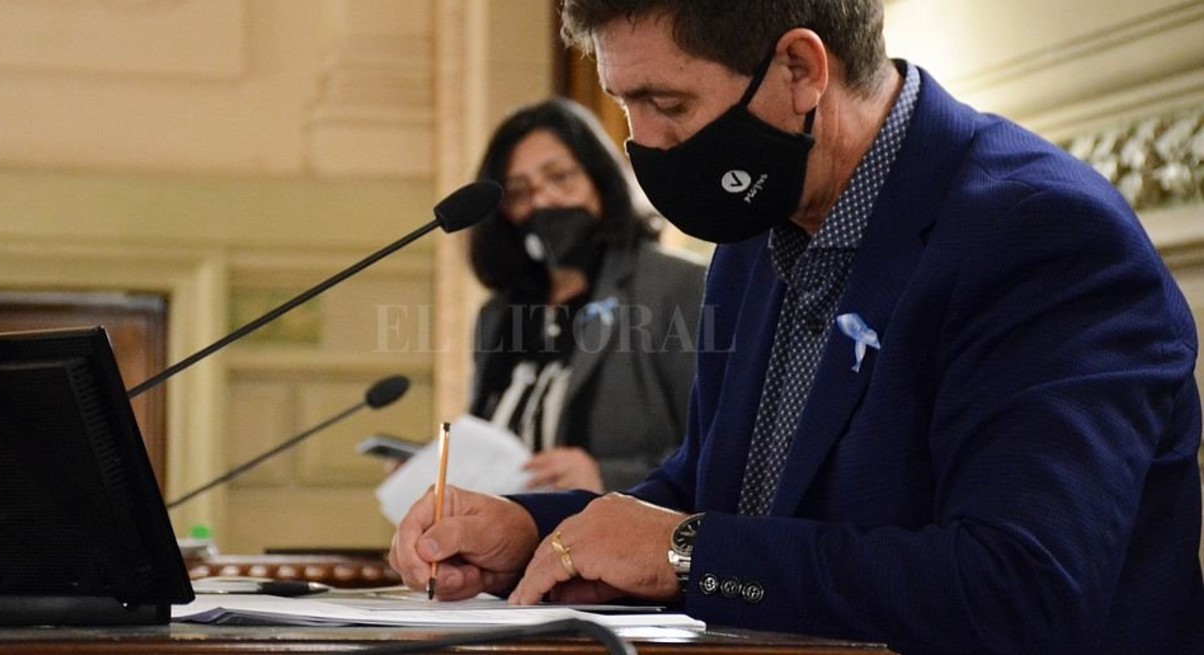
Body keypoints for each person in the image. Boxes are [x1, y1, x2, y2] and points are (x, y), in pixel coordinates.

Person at [390, 2, 1204, 653]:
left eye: (666, 103)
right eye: (625, 104)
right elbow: (707, 493)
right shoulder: (753, 237)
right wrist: (534, 529)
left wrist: (686, 553)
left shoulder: (1039, 235)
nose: (641, 144)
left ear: (801, 69)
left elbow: (1018, 590)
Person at [465, 98, 706, 493]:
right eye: (519, 192)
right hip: (511, 528)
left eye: (559, 177)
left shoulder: (676, 287)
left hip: (621, 526)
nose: (542, 201)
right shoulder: (498, 314)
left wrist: (605, 477)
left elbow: (720, 451)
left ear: (601, 180)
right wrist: (439, 469)